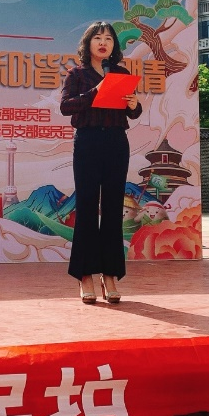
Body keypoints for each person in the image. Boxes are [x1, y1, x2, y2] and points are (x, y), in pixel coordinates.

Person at [60, 21, 141, 304]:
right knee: (86, 208)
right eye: (97, 38)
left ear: (114, 45)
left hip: (116, 143)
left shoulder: (120, 73)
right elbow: (66, 106)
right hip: (88, 142)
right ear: (88, 43)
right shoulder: (77, 74)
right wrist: (96, 91)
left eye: (108, 38)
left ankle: (110, 275)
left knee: (112, 210)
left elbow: (132, 113)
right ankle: (85, 276)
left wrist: (134, 105)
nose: (103, 42)